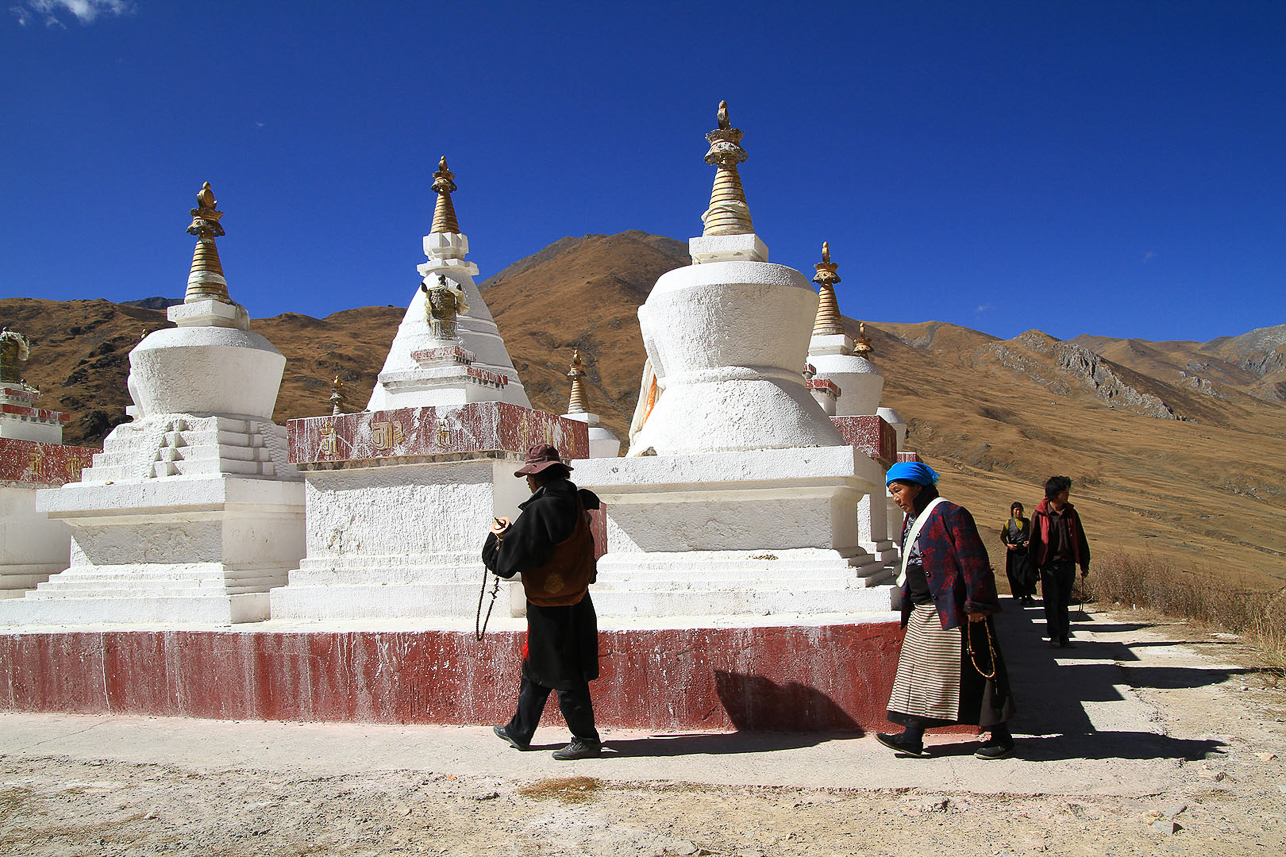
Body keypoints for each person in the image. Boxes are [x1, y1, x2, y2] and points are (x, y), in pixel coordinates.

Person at [876, 461, 1017, 759]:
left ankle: (1001, 737)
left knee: (976, 670)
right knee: (916, 674)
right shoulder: (911, 520)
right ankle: (912, 738)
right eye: (891, 492)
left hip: (956, 610)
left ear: (918, 487)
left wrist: (977, 604)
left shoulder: (950, 513)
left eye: (898, 490)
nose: (895, 498)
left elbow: (973, 560)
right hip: (922, 609)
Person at [482, 443, 603, 760]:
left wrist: (497, 539)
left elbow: (506, 564)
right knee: (537, 665)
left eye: (528, 477)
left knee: (563, 670)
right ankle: (520, 730)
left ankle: (586, 738)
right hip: (576, 597)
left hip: (552, 608)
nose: (527, 482)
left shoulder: (541, 509)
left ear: (537, 477)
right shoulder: (575, 502)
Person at [1028, 475, 1091, 649]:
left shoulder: (1071, 513)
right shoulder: (1040, 515)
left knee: (1064, 601)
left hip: (1067, 564)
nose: (1067, 494)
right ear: (1055, 494)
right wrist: (1032, 568)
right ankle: (1054, 635)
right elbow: (1033, 542)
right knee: (1051, 601)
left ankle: (1064, 635)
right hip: (1048, 566)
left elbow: (1080, 538)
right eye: (1065, 491)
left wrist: (1084, 563)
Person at [999, 502, 1035, 606]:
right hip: (1014, 553)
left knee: (1028, 574)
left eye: (1020, 510)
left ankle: (1029, 595)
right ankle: (1022, 596)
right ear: (1013, 512)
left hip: (1025, 552)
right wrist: (1008, 545)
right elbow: (1002, 536)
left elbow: (1033, 534)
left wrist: (1030, 542)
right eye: (1016, 510)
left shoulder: (1027, 522)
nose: (1018, 512)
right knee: (1017, 575)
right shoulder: (1008, 523)